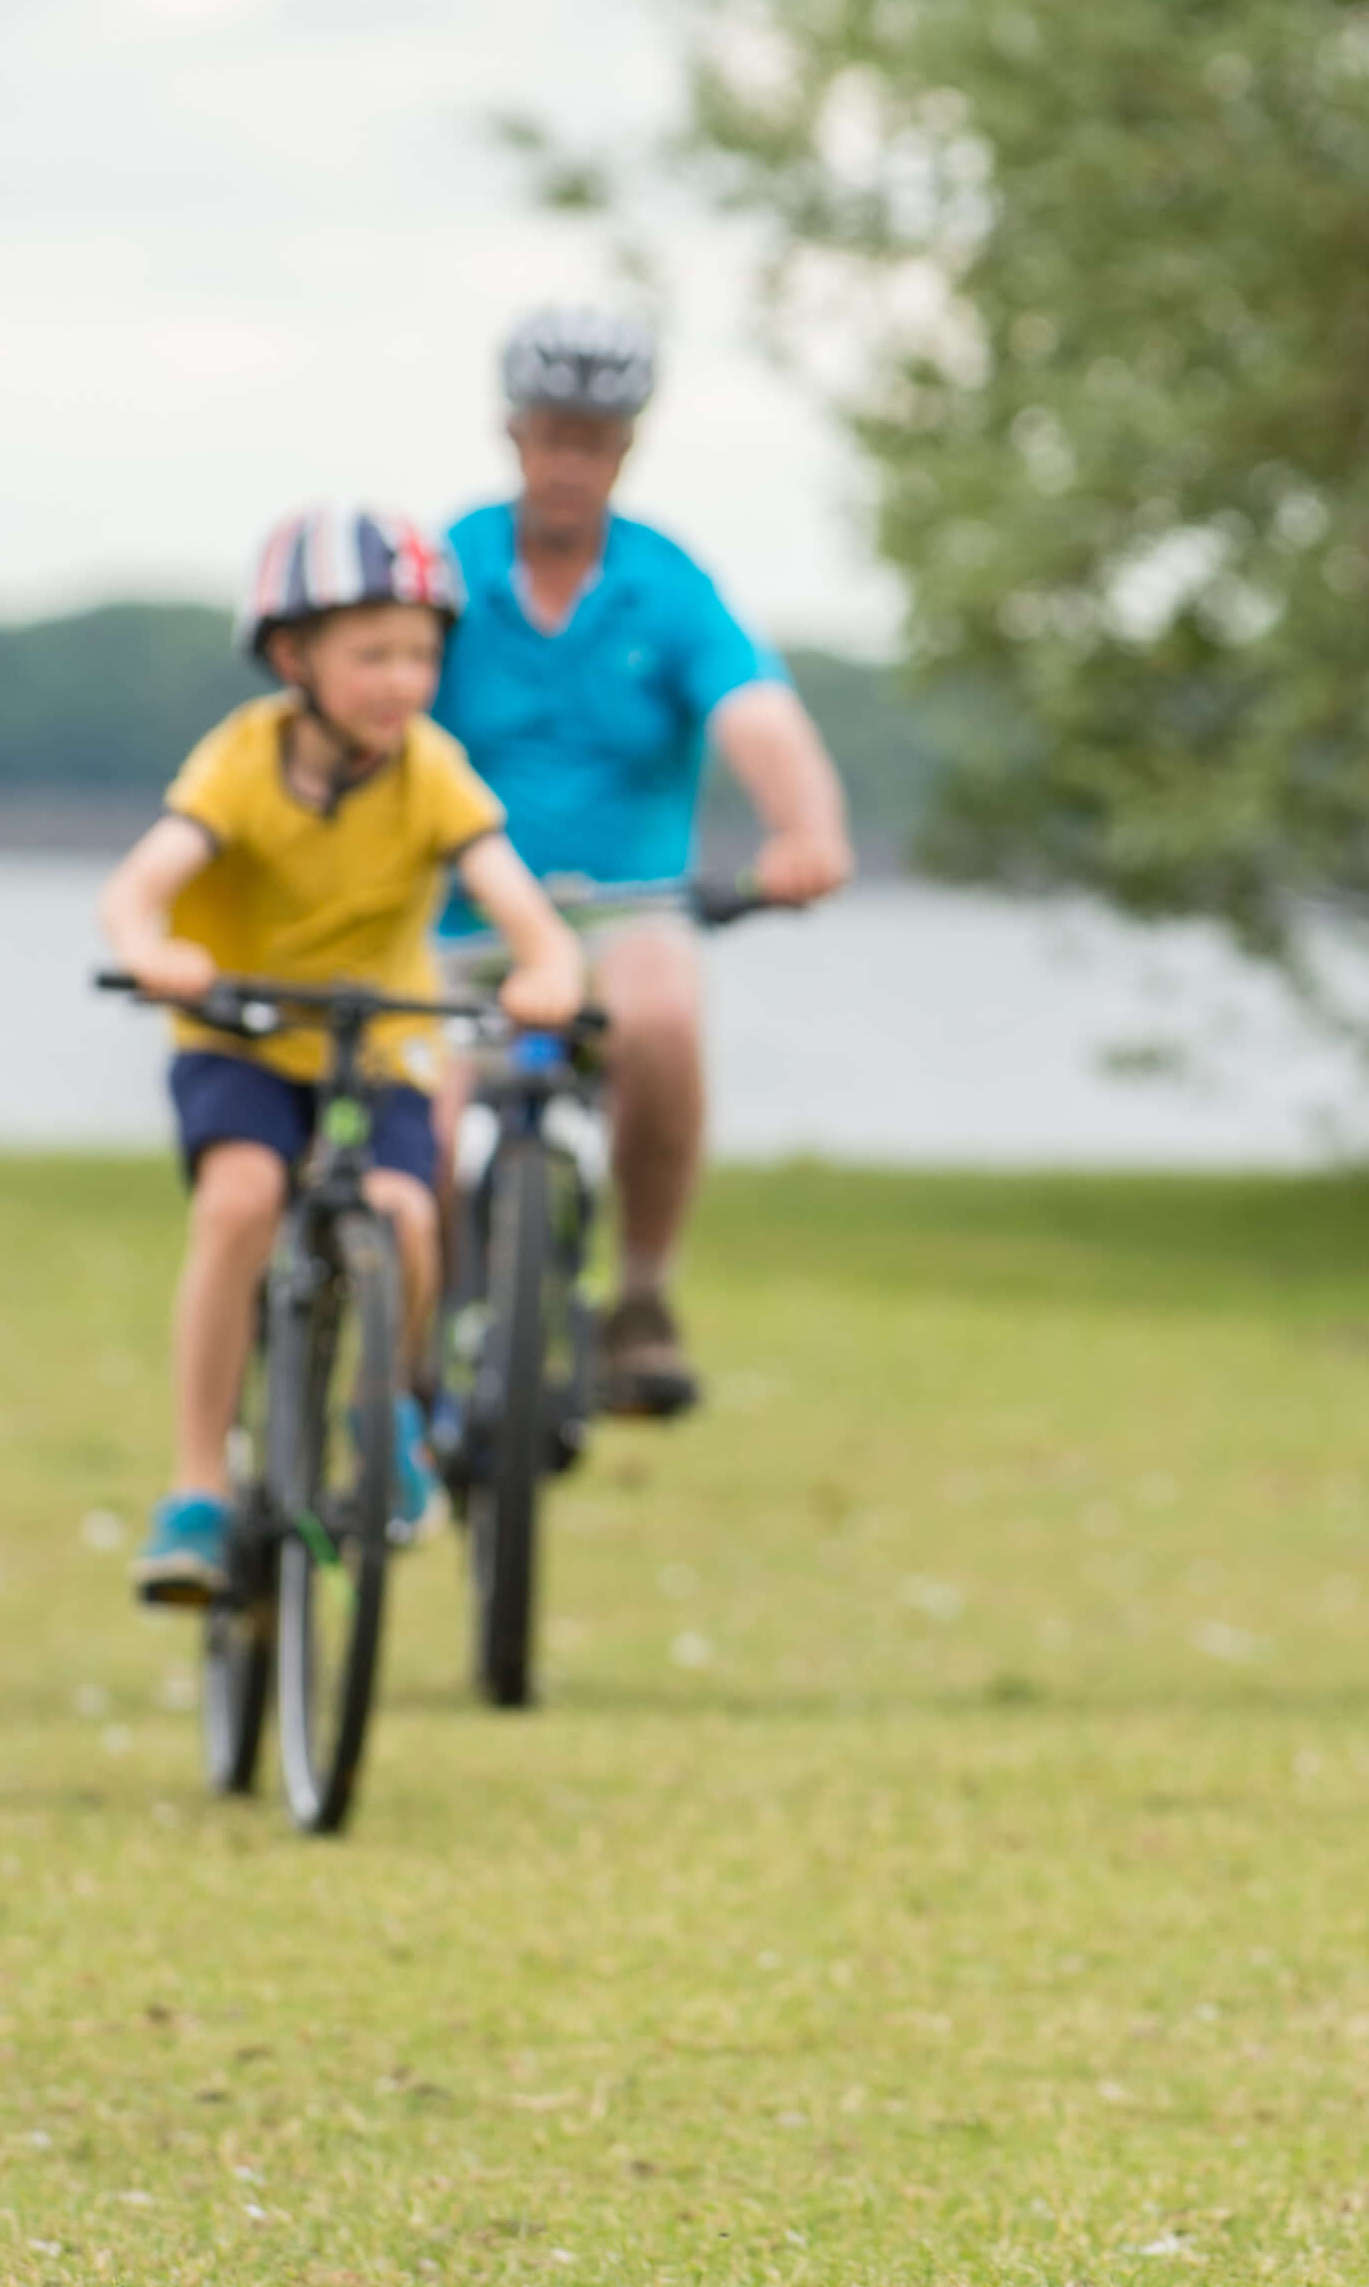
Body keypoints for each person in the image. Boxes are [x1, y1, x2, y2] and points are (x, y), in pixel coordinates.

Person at [98, 503, 589, 1609]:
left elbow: (514, 897)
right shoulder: (240, 762)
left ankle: (390, 1411)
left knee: (410, 1217)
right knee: (238, 1201)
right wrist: (153, 949)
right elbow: (136, 889)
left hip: (378, 1051)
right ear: (291, 657)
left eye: (420, 654)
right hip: (242, 1037)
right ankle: (195, 1490)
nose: (401, 680)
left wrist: (546, 964)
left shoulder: (431, 771)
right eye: (371, 653)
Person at [428, 305, 853, 1417]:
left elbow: (753, 710)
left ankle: (643, 1294)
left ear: (629, 447)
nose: (572, 459)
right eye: (553, 431)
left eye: (598, 437)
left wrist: (803, 830)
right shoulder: (449, 564)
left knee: (661, 1019)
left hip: (626, 906)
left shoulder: (664, 581)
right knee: (411, 1107)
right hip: (457, 910)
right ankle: (409, 1338)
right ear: (512, 433)